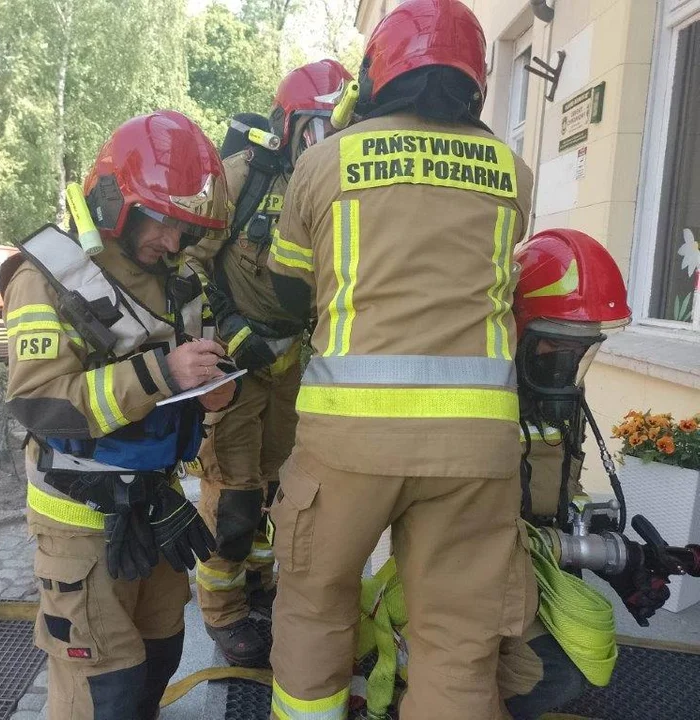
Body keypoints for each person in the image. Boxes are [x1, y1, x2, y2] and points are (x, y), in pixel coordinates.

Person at [263, 1, 537, 718]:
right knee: (457, 642)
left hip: (345, 443)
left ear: (378, 74)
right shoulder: (515, 172)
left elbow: (288, 293)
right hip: (476, 450)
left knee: (317, 609)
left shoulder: (324, 163)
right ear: (476, 77)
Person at [353, 228, 674, 720]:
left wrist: (622, 556)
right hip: (448, 581)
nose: (568, 366)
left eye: (582, 349)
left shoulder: (557, 398)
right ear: (517, 331)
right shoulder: (470, 407)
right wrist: (608, 556)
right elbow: (465, 533)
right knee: (555, 675)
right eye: (557, 348)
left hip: (514, 575)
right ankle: (415, 691)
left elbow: (559, 496)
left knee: (586, 649)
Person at [0, 110, 239, 720]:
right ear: (116, 199)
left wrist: (215, 391)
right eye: (164, 223)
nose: (175, 244)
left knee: (159, 656)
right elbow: (41, 403)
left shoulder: (180, 281)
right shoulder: (46, 279)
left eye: (187, 232)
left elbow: (191, 373)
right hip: (79, 522)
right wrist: (162, 375)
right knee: (103, 689)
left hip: (153, 507)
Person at [187, 59, 354, 667]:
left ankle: (258, 590)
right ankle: (224, 614)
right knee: (233, 499)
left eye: (335, 131)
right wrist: (229, 330)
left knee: (277, 490)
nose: (324, 145)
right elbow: (186, 264)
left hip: (293, 365)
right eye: (314, 129)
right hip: (234, 368)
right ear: (287, 126)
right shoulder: (238, 180)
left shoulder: (339, 185)